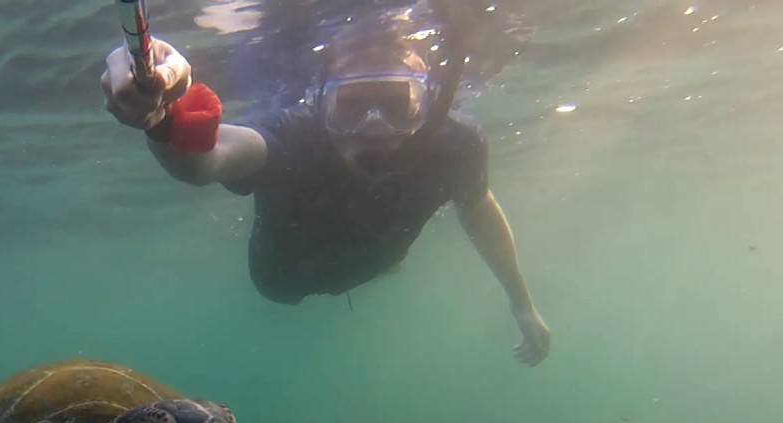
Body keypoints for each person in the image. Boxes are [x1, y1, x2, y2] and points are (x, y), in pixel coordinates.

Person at [101, 11, 552, 367]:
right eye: (351, 105)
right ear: (320, 103)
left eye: (397, 103)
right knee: (287, 289)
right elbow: (205, 163)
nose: (374, 128)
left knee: (385, 263)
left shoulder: (454, 144)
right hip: (283, 279)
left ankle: (382, 264)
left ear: (428, 102)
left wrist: (523, 305)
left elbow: (477, 207)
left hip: (370, 264)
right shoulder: (294, 136)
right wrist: (161, 117)